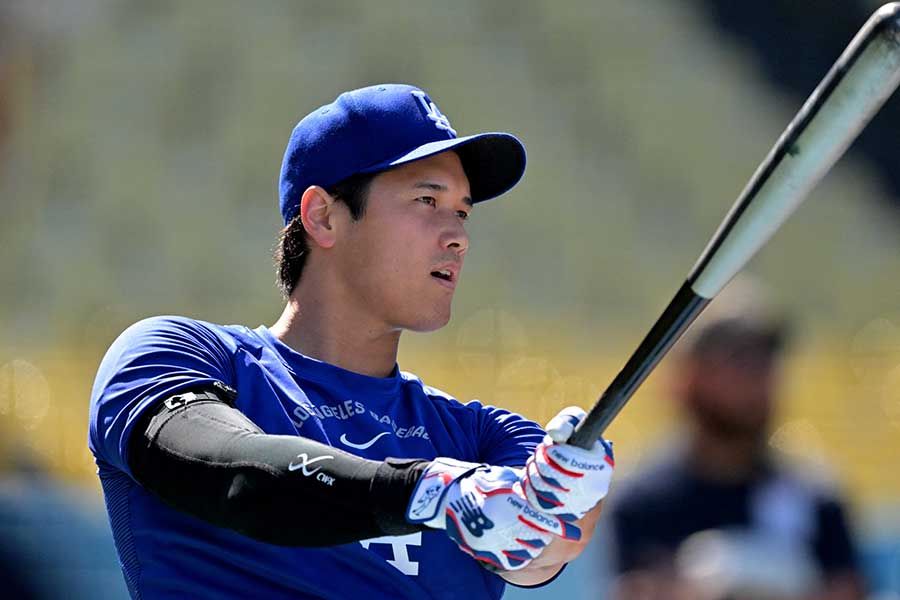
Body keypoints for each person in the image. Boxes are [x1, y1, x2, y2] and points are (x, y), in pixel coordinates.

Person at [88, 83, 615, 599]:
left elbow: (542, 545)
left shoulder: (478, 434)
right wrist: (433, 493)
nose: (459, 235)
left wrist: (557, 499)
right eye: (427, 199)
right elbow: (241, 478)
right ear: (323, 216)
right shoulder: (177, 355)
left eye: (461, 211)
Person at [605, 280, 865, 600]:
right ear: (690, 376)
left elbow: (851, 587)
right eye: (739, 360)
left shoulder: (815, 497)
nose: (758, 378)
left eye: (765, 360)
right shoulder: (642, 502)